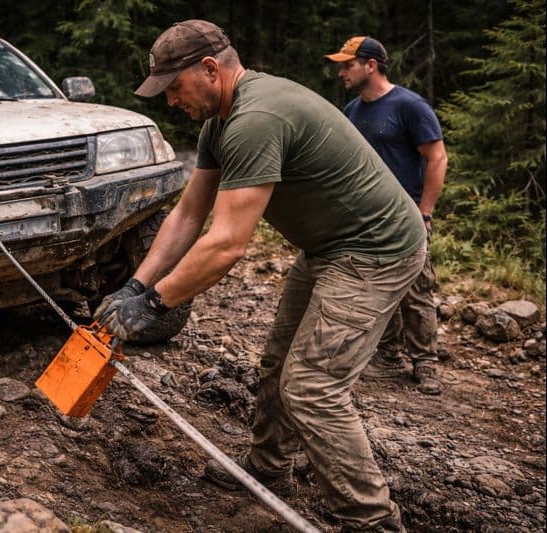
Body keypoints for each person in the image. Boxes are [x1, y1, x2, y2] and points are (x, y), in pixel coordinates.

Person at [95, 19, 426, 532]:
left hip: (376, 251)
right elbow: (188, 215)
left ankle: (373, 522)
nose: (171, 101)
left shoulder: (256, 118)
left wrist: (155, 304)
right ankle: (269, 468)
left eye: (174, 87)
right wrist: (135, 286)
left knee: (312, 386)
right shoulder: (219, 124)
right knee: (278, 364)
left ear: (210, 69)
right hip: (328, 247)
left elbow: (227, 243)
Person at [325, 37, 448, 395]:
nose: (341, 72)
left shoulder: (409, 106)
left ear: (371, 65)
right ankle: (388, 353)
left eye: (348, 65)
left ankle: (425, 363)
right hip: (365, 218)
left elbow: (437, 158)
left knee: (416, 289)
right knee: (375, 287)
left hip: (407, 214)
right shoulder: (352, 110)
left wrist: (425, 213)